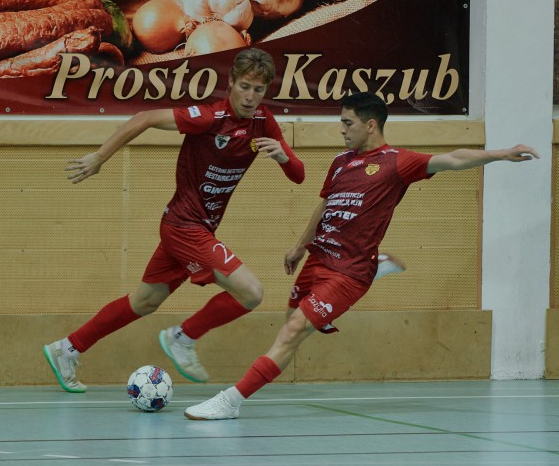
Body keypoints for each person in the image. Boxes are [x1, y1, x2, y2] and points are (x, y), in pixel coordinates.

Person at [184, 91, 539, 420]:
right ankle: (380, 265)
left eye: (347, 123)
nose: (341, 130)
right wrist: (299, 246)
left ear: (370, 125)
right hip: (318, 259)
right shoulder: (340, 162)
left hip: (348, 273)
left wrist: (501, 154)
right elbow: (326, 205)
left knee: (294, 331)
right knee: (292, 318)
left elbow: (454, 158)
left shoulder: (397, 162)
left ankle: (231, 401)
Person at [42, 48, 305, 392]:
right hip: (185, 226)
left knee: (144, 302)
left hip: (191, 228)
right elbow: (145, 118)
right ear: (231, 84)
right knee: (251, 292)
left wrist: (285, 157)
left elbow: (299, 176)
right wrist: (100, 156)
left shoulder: (262, 122)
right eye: (245, 86)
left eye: (258, 89)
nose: (251, 96)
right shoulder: (209, 117)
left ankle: (68, 348)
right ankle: (183, 337)